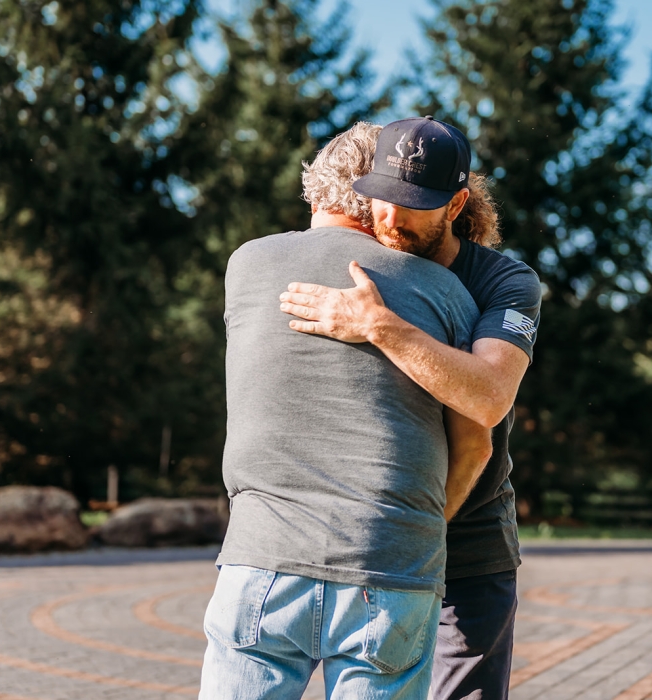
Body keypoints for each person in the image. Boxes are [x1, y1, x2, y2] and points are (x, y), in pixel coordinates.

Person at [199, 122, 493, 700]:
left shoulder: (247, 264)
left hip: (261, 557)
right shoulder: (448, 294)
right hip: (390, 561)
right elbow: (476, 443)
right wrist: (423, 525)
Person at [280, 116, 543, 700]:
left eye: (415, 205)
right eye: (381, 198)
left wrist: (379, 326)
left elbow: (490, 395)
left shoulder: (505, 282)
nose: (391, 219)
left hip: (467, 551)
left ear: (456, 205)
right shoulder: (359, 259)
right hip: (367, 546)